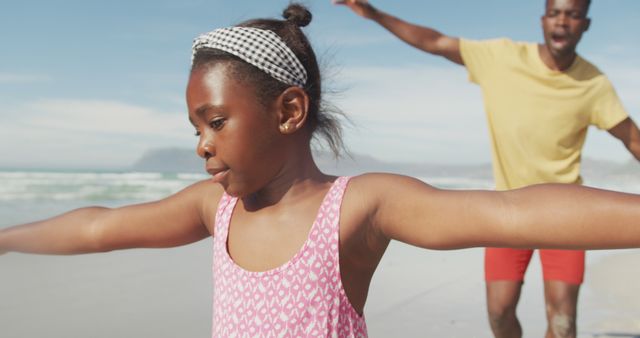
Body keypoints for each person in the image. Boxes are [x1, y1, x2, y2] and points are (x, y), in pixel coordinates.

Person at [2, 3, 640, 338]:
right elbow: (98, 227)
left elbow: (511, 210)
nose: (202, 144)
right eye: (194, 128)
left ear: (288, 110)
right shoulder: (211, 208)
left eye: (216, 121)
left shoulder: (360, 205)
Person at [336, 0, 640, 337]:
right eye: (555, 13)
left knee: (563, 320)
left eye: (573, 14)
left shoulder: (593, 83)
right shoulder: (502, 58)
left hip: (565, 210)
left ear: (586, 24)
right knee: (498, 313)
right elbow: (435, 42)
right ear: (542, 21)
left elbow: (632, 139)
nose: (563, 21)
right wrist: (375, 14)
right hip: (506, 210)